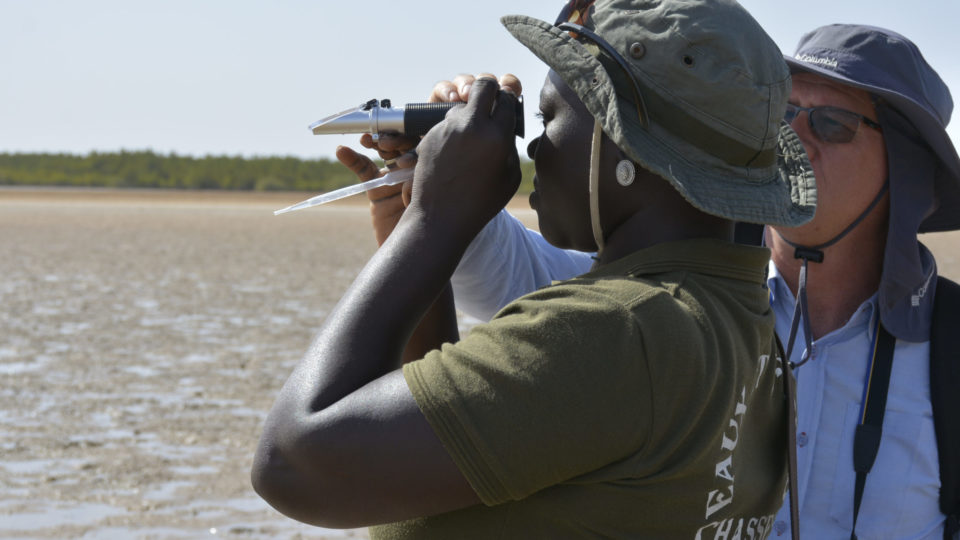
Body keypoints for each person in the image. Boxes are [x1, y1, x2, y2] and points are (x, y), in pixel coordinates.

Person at [353, 23, 960, 540]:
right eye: (780, 115)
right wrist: (437, 163)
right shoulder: (664, 297)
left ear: (913, 177)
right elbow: (497, 269)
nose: (792, 140)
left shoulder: (950, 350)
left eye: (830, 125)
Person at [252, 0, 819, 537]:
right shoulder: (741, 321)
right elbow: (423, 430)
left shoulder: (619, 332)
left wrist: (436, 221)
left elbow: (294, 463)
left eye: (549, 117)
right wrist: (409, 215)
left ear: (625, 149)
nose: (535, 150)